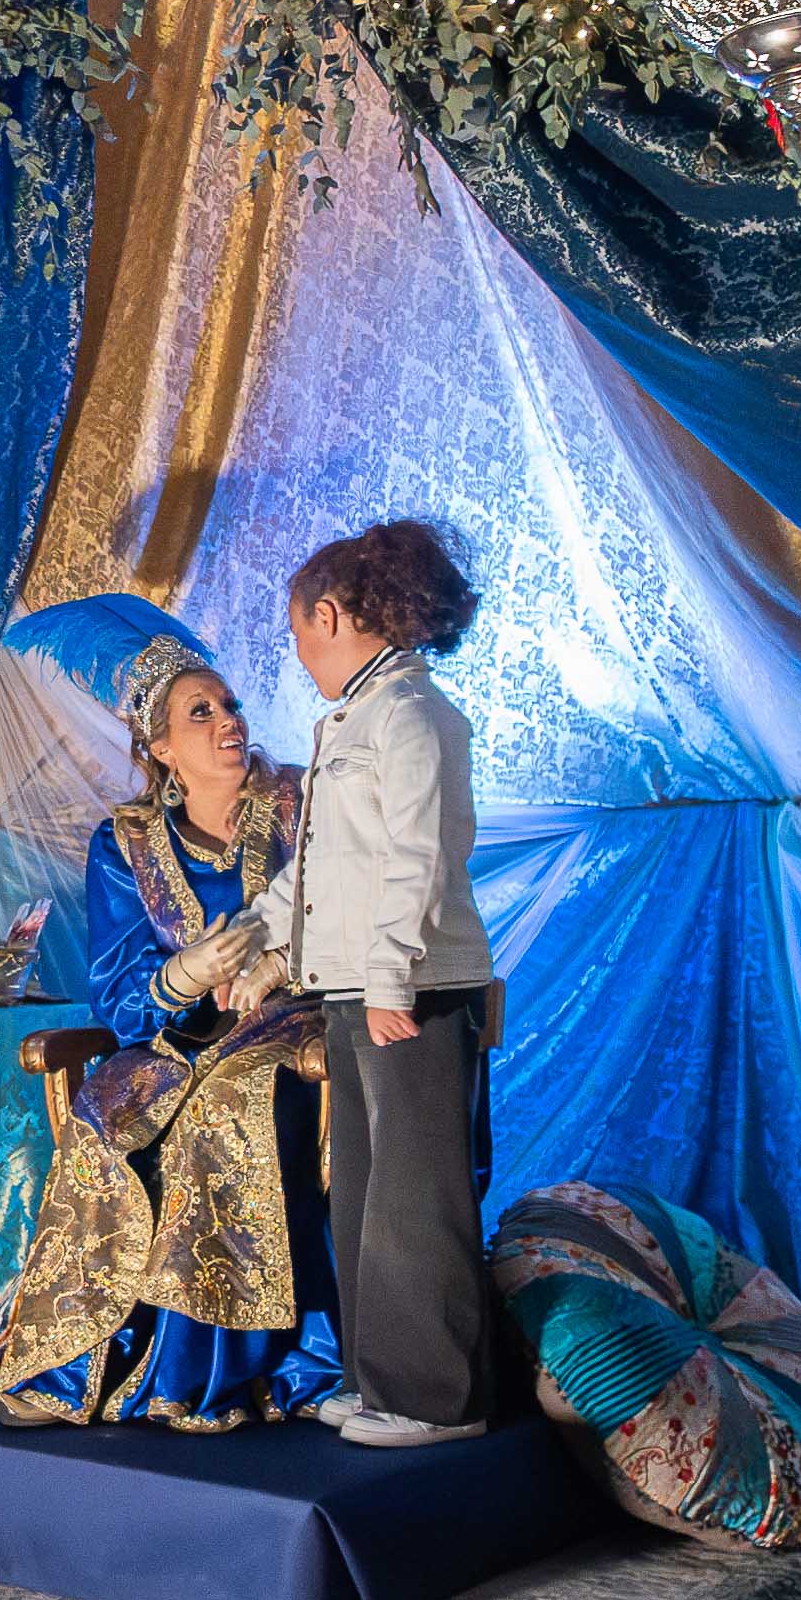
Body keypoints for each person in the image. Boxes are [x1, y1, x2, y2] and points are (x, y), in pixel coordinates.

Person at [0, 633, 346, 1427]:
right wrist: (184, 974)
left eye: (231, 705)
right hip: (175, 1043)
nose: (228, 721)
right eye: (200, 712)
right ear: (162, 749)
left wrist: (275, 962)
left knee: (224, 1110)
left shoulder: (302, 804)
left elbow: (353, 911)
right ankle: (74, 1361)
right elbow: (117, 995)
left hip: (292, 1031)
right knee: (100, 1121)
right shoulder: (126, 842)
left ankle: (208, 1373)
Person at [262, 522, 505, 1445]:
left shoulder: (411, 713)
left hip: (408, 989)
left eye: (298, 634)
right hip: (351, 986)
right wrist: (263, 947)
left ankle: (437, 1399)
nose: (300, 655)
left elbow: (419, 855)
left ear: (327, 616)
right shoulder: (353, 718)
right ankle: (379, 1382)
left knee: (415, 1196)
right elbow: (323, 870)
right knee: (364, 1191)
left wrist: (392, 977)